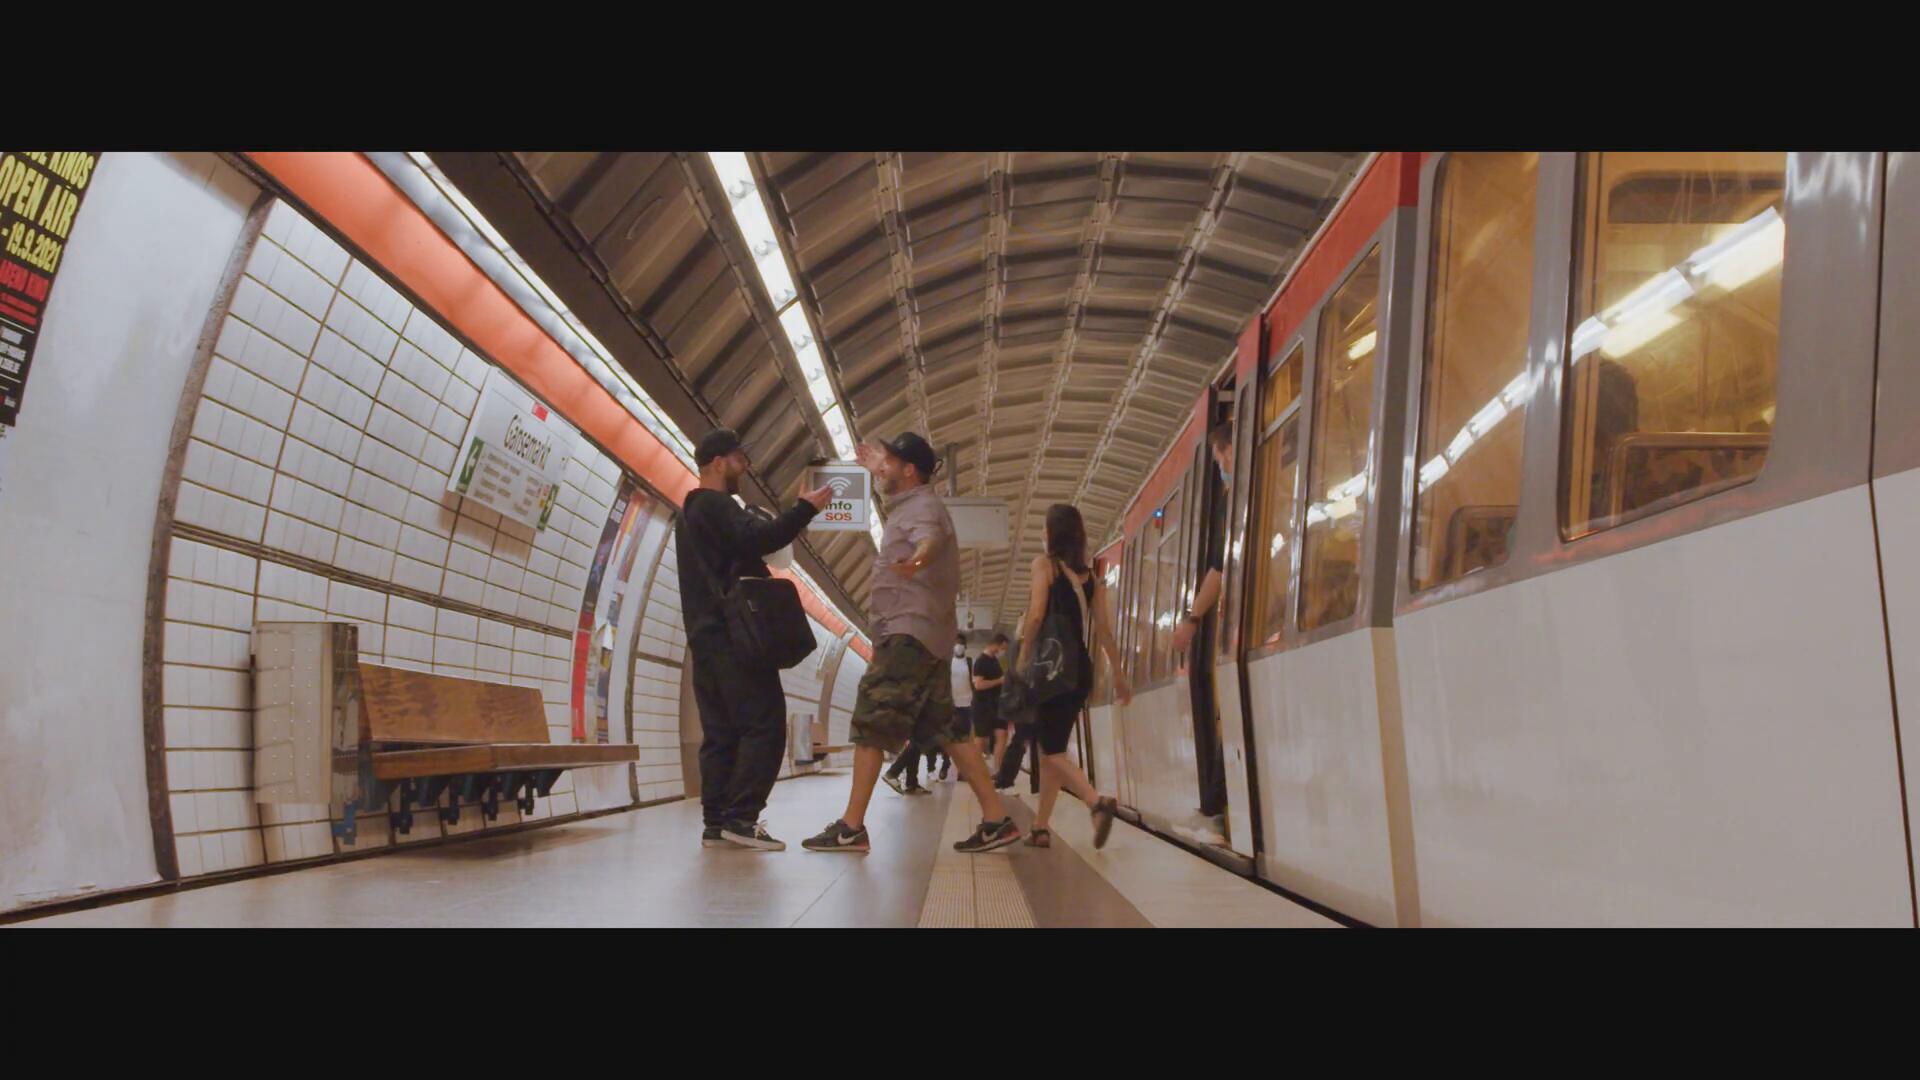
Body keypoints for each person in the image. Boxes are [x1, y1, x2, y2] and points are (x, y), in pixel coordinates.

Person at [802, 433, 1021, 854]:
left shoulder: (923, 508)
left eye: (889, 461)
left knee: (871, 720)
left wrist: (918, 560)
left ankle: (851, 827)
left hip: (909, 633)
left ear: (909, 470)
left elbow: (930, 541)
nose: (882, 467)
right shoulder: (910, 505)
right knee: (949, 730)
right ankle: (997, 819)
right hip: (926, 636)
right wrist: (876, 468)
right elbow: (919, 524)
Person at [678, 427, 832, 851]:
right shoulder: (715, 503)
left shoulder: (687, 514)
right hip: (735, 636)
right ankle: (742, 817)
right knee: (765, 724)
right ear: (718, 462)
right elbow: (761, 538)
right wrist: (805, 509)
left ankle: (716, 823)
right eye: (739, 459)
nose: (744, 467)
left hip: (705, 637)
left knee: (721, 732)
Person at [1015, 503, 1131, 849]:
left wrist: (1022, 659)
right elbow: (1104, 631)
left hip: (1051, 670)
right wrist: (1120, 675)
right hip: (1079, 671)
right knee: (1053, 750)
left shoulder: (1044, 565)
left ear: (1052, 533)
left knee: (1050, 752)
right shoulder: (1091, 578)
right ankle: (1040, 827)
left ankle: (1096, 802)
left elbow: (1036, 616)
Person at [1168, 419, 1233, 843]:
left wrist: (1192, 620)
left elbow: (1219, 569)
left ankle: (1215, 812)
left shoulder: (1238, 499)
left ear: (1228, 451)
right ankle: (1214, 809)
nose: (1220, 466)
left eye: (1219, 457)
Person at [971, 634, 1009, 771]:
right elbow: (978, 685)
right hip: (983, 706)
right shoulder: (981, 661)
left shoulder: (995, 660)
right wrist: (999, 681)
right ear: (999, 643)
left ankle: (998, 770)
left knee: (1002, 735)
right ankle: (975, 770)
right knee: (981, 738)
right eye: (1004, 647)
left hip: (997, 705)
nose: (1004, 650)